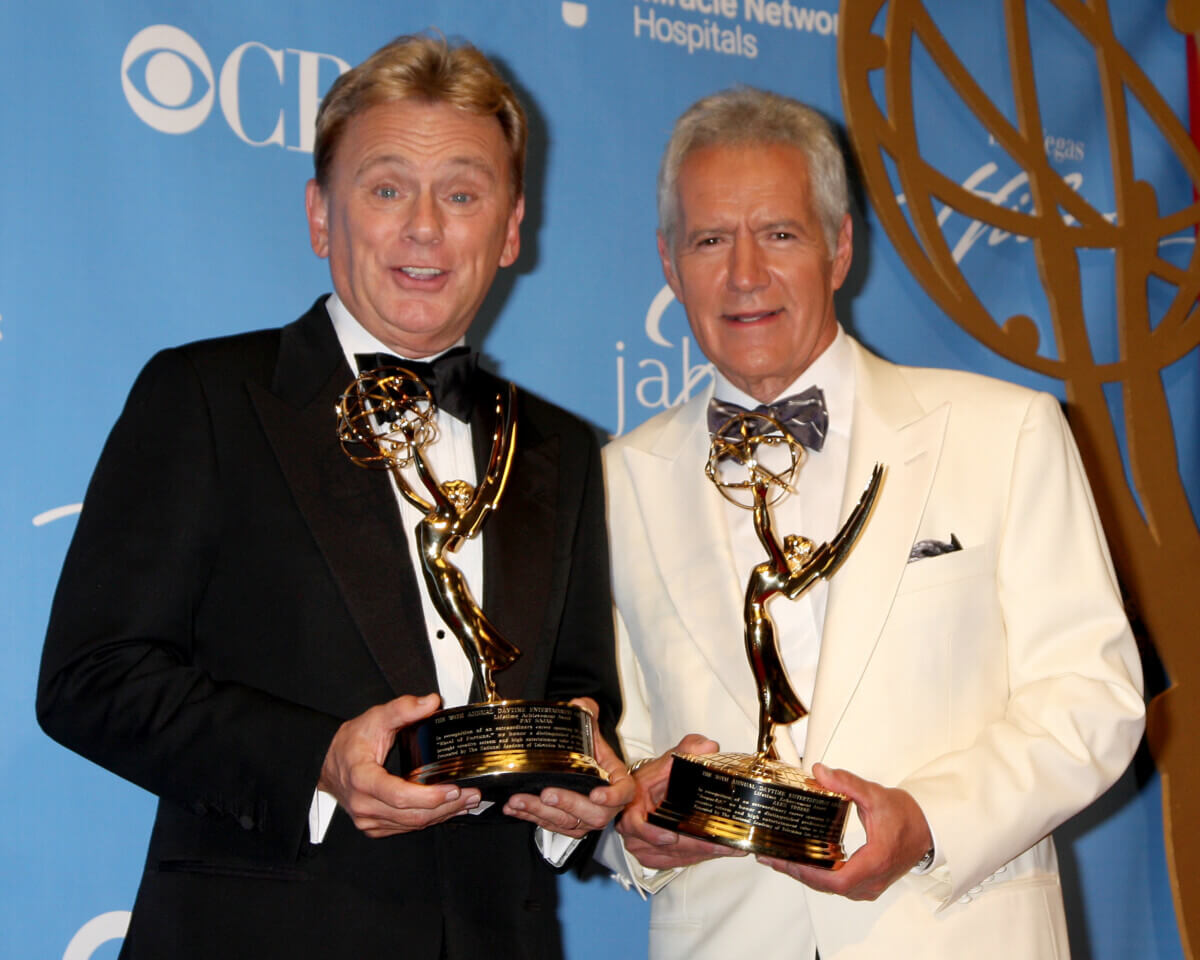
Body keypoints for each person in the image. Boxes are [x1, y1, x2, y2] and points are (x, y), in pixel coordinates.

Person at [37, 34, 631, 960]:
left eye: (463, 194)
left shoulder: (561, 448)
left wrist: (578, 785)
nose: (425, 227)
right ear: (321, 216)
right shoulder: (206, 396)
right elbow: (91, 679)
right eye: (387, 188)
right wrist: (316, 758)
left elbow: (578, 695)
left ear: (511, 228)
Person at [601, 86, 1145, 959]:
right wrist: (632, 827)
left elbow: (1095, 697)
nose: (745, 274)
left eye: (779, 233)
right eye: (710, 240)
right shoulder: (613, 484)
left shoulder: (1007, 431)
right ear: (670, 262)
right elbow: (610, 747)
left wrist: (928, 822)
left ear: (840, 246)